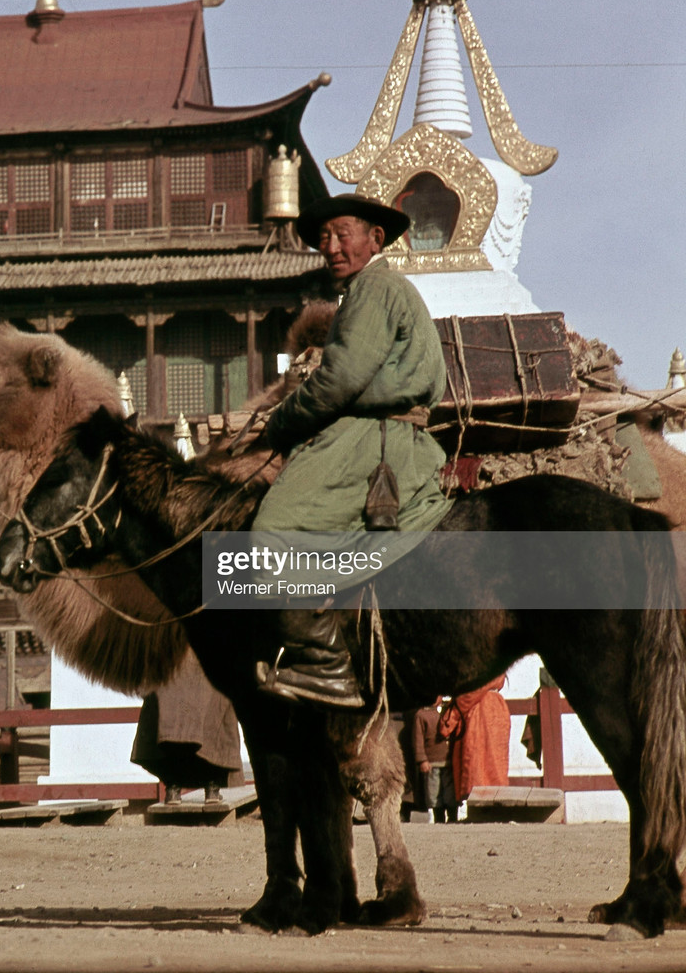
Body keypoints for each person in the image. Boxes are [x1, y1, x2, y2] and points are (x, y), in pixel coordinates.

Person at [252, 193, 450, 708]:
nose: (332, 246)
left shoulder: (375, 288)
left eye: (343, 234)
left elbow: (340, 380)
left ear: (375, 239)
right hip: (385, 432)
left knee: (274, 529)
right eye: (324, 238)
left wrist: (280, 425)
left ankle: (325, 664)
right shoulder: (374, 290)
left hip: (375, 439)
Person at [130, 648, 245, 803]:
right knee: (215, 714)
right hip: (206, 654)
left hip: (171, 657)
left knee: (169, 721)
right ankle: (212, 787)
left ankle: (173, 787)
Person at [438, 675, 511, 805]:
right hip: (495, 709)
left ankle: (481, 804)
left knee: (477, 761)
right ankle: (494, 802)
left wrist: (448, 720)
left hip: (480, 710)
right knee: (494, 761)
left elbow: (471, 694)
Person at [411, 697, 457, 823]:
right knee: (434, 792)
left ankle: (453, 818)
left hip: (449, 761)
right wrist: (422, 760)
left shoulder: (448, 712)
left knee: (450, 792)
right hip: (432, 761)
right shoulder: (421, 715)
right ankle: (439, 819)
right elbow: (418, 740)